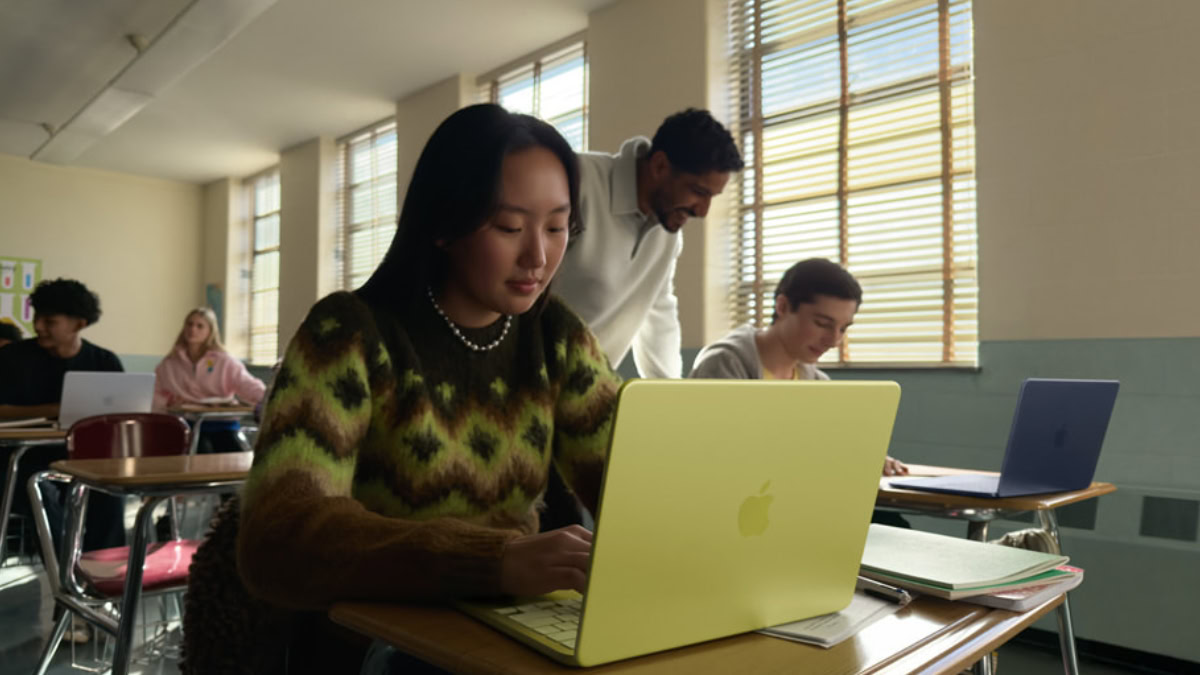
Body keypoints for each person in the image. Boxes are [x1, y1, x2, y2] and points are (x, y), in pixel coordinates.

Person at [181, 104, 621, 674]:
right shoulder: (348, 334)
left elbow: (627, 479)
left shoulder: (555, 335)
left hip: (508, 626)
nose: (538, 256)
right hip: (370, 642)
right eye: (509, 227)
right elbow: (279, 539)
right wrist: (492, 561)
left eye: (558, 228)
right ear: (443, 225)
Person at [553, 108, 744, 379]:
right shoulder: (578, 181)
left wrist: (669, 394)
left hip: (583, 389)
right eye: (698, 192)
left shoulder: (667, 234)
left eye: (712, 197)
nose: (703, 211)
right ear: (660, 166)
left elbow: (659, 315)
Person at [690, 258, 909, 482]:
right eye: (822, 324)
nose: (834, 341)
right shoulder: (724, 365)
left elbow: (833, 445)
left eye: (843, 328)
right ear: (783, 307)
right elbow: (723, 458)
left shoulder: (817, 383)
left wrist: (869, 457)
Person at [0, 279, 125, 552]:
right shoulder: (11, 358)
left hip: (84, 458)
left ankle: (106, 565)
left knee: (110, 491)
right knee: (39, 489)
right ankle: (65, 569)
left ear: (78, 324)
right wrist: (54, 409)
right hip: (22, 460)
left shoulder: (104, 362)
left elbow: (120, 418)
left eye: (50, 321)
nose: (38, 326)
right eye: (37, 317)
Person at [153, 307, 265, 452]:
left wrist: (267, 398)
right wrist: (168, 405)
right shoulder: (169, 363)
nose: (193, 329)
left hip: (223, 424)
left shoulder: (225, 361)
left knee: (239, 453)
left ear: (210, 331)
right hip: (187, 425)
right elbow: (156, 394)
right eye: (189, 324)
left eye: (200, 326)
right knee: (202, 451)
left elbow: (247, 384)